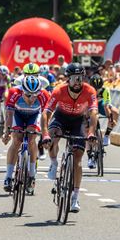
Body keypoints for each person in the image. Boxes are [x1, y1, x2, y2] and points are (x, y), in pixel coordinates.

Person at [41, 62, 98, 213]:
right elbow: (46, 113)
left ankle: (75, 197)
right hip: (61, 117)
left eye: (80, 78)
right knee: (53, 137)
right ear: (68, 79)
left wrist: (91, 132)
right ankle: (53, 163)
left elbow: (93, 113)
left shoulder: (89, 90)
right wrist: (45, 134)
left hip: (78, 121)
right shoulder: (59, 90)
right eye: (74, 78)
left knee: (78, 158)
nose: (78, 82)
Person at [2, 75, 50, 194]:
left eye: (35, 95)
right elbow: (9, 114)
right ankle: (8, 176)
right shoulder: (14, 92)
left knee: (31, 139)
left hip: (34, 115)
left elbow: (46, 116)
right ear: (22, 90)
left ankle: (32, 175)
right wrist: (7, 132)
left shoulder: (44, 95)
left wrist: (45, 134)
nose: (32, 98)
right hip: (17, 115)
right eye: (28, 95)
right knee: (17, 140)